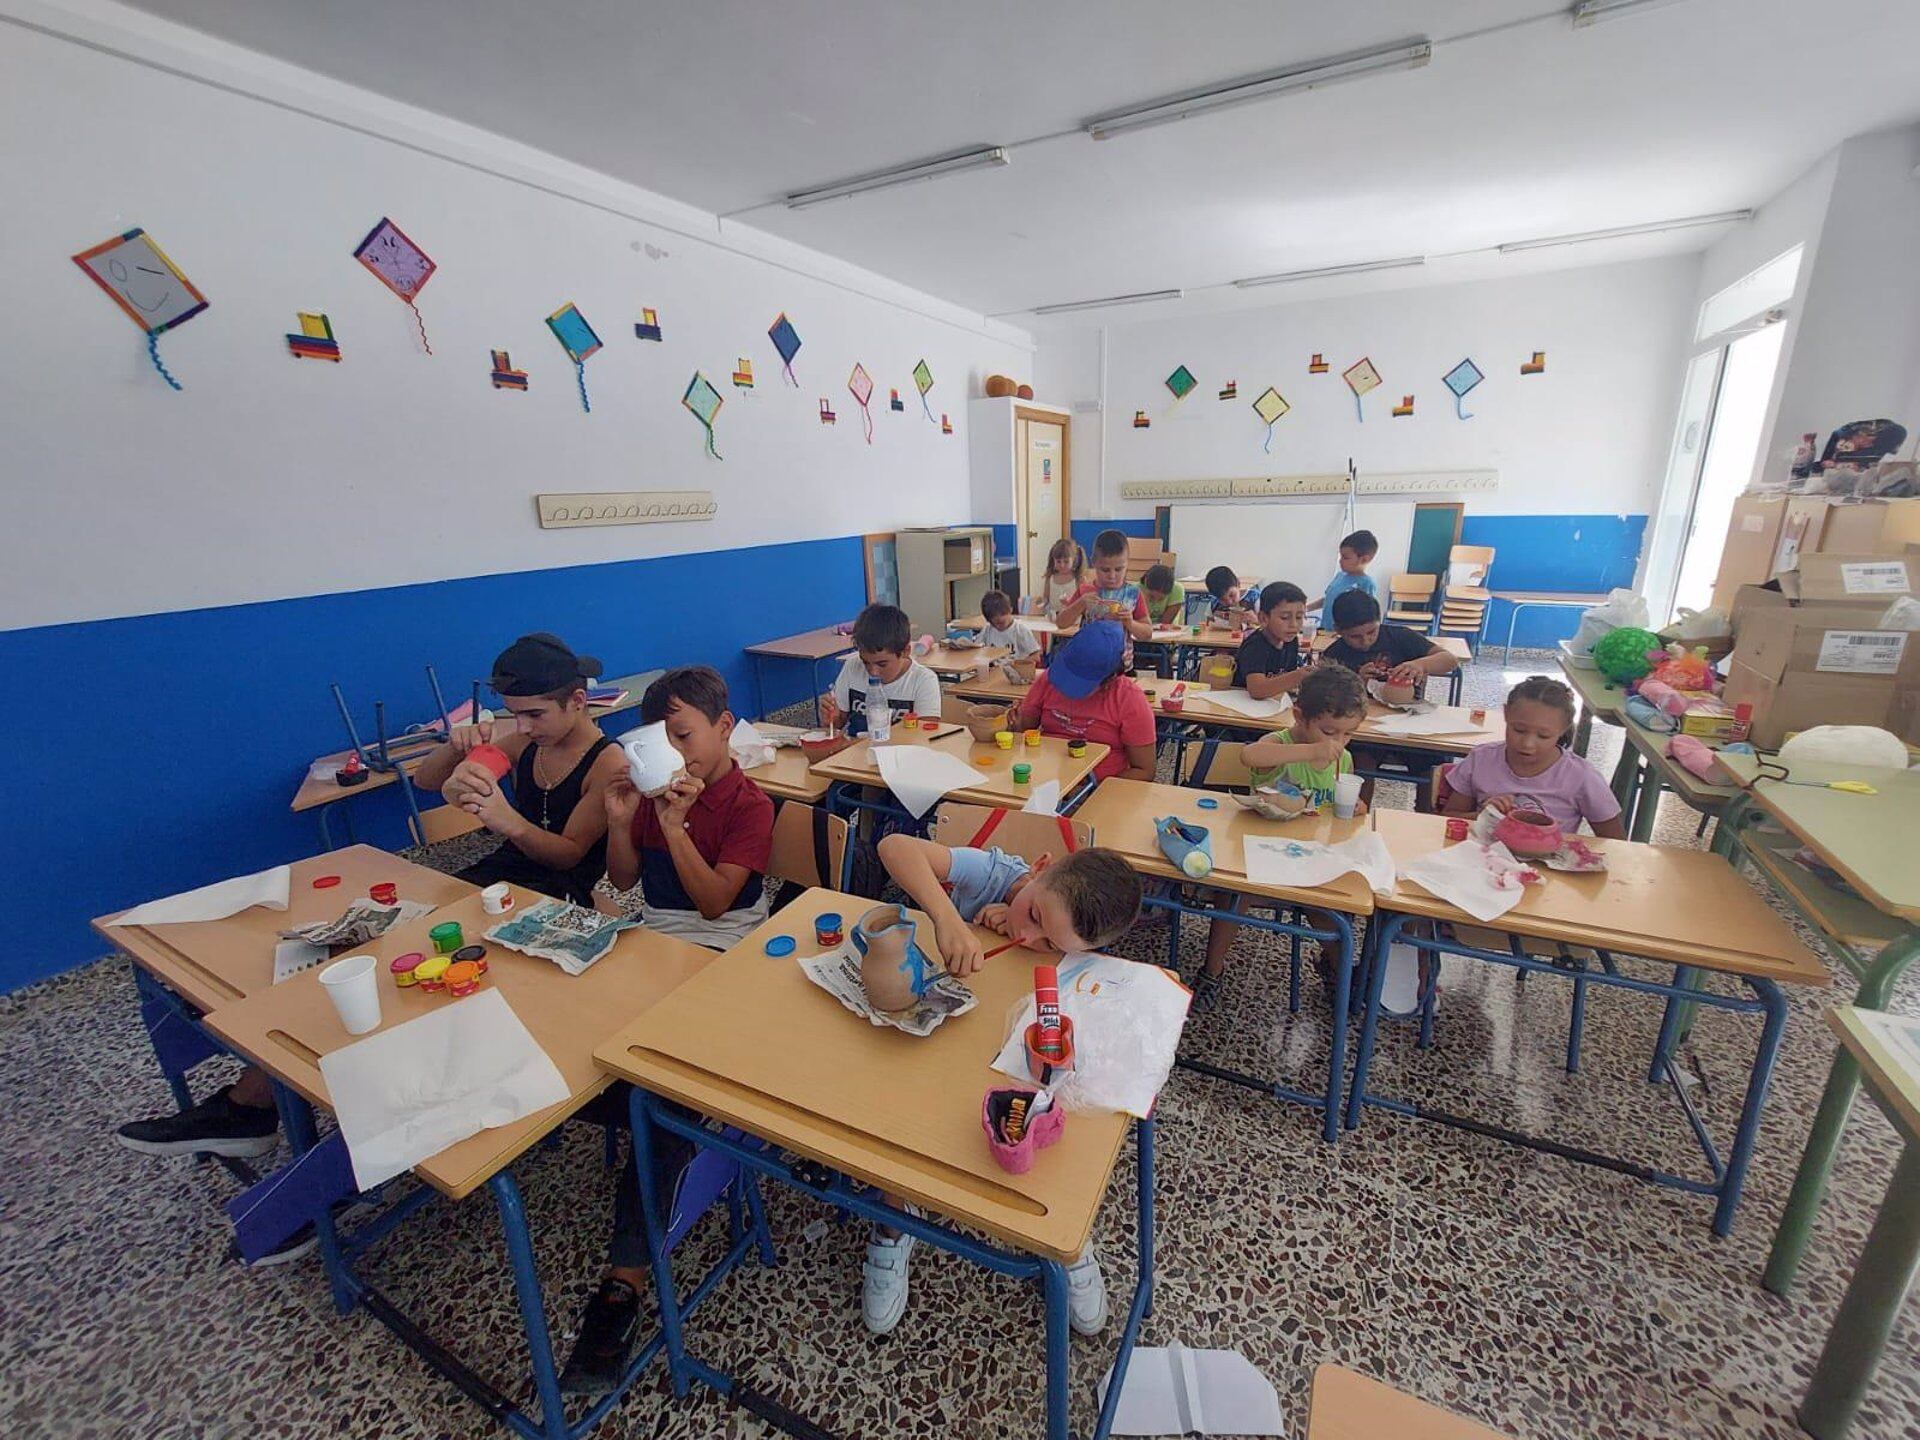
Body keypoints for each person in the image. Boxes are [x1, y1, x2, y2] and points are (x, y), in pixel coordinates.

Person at [113, 633, 625, 1237]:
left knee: (410, 991)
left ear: (576, 700)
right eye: (517, 715)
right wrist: (450, 743)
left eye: (536, 713)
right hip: (491, 887)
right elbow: (433, 780)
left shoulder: (608, 762)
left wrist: (506, 820)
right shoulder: (524, 739)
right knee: (368, 961)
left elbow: (568, 858)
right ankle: (255, 1102)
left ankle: (277, 1122)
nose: (526, 726)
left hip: (551, 906)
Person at [562, 666, 775, 1395]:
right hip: (653, 944)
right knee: (574, 1038)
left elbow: (717, 904)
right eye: (663, 740)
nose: (677, 754)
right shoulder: (655, 797)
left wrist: (678, 827)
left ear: (723, 727)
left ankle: (622, 1282)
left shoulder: (750, 804)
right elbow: (624, 881)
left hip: (721, 954)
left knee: (660, 1099)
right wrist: (624, 823)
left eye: (685, 735)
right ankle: (613, 1109)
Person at [869, 830, 1143, 1337]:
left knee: (1054, 1127)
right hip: (941, 1054)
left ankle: (1068, 1240)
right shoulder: (992, 872)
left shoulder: (1070, 939)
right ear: (1038, 867)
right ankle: (894, 1220)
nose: (1028, 939)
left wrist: (1023, 929)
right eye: (1034, 917)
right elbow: (894, 848)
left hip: (1015, 1058)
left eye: (1050, 945)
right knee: (896, 1110)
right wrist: (948, 918)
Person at [1197, 666, 1369, 1008]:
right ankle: (1210, 972)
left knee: (1333, 914)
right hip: (1257, 854)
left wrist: (1353, 805)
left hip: (1308, 860)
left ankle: (1339, 972)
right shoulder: (1282, 744)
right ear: (1299, 716)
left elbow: (1335, 807)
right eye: (1329, 731)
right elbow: (1251, 756)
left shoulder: (1343, 760)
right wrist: (1310, 752)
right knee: (1233, 898)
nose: (1338, 743)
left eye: (1348, 734)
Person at [1440, 676, 1626, 840]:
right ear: (1506, 714)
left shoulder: (1581, 776)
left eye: (1543, 736)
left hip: (1548, 872)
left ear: (1564, 729)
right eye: (1519, 730)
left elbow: (1615, 843)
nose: (1527, 744)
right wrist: (1482, 815)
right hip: (1482, 862)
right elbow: (1446, 819)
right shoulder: (1481, 759)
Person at [1012, 621, 1157, 782]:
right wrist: (1016, 726)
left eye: (1080, 682)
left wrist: (1092, 791)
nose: (1068, 686)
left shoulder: (1130, 700)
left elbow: (1144, 771)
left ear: (1110, 678)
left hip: (1097, 791)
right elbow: (1024, 729)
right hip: (1044, 777)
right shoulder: (1048, 680)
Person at [820, 603, 941, 736]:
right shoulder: (852, 666)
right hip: (856, 751)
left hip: (902, 752)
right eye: (865, 662)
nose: (873, 672)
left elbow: (926, 736)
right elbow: (838, 723)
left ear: (905, 651)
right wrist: (831, 718)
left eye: (882, 664)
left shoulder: (923, 680)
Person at [1320, 592, 1458, 696]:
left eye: (1372, 632)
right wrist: (1357, 682)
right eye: (1355, 636)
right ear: (1338, 630)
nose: (1366, 640)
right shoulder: (1334, 655)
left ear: (1379, 621)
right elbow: (1326, 697)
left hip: (1406, 713)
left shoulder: (1400, 636)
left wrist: (1420, 665)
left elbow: (1450, 660)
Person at [1056, 529, 1154, 641]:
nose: (1112, 576)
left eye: (1118, 569)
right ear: (1094, 562)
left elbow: (1148, 634)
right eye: (1105, 570)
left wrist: (1131, 623)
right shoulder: (1085, 591)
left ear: (1127, 563)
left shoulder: (1133, 594)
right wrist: (1080, 603)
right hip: (1089, 656)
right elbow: (1061, 623)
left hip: (1120, 657)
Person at [1232, 581, 1314, 700]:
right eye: (1285, 617)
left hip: (1273, 703)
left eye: (1299, 617)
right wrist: (1298, 676)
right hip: (1244, 707)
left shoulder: (1291, 641)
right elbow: (1256, 690)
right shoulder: (1255, 645)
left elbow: (1287, 682)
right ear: (1263, 618)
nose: (1294, 625)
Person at [1312, 529, 1379, 634]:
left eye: (1345, 558)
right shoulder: (1339, 576)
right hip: (1325, 630)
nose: (1340, 561)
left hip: (1345, 635)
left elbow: (1368, 616)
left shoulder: (1366, 584)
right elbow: (1328, 598)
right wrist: (1306, 608)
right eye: (1341, 556)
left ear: (1364, 559)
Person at [979, 588, 1041, 662]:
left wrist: (1018, 664)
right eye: (994, 624)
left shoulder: (1020, 630)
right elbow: (976, 649)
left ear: (1010, 610)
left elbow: (1036, 657)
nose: (998, 627)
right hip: (994, 670)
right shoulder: (988, 629)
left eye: (1001, 623)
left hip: (1016, 670)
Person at [1036, 537, 1085, 618]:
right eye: (1058, 561)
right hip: (1054, 618)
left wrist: (1069, 602)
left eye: (1066, 562)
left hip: (1073, 618)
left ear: (1074, 560)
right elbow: (1046, 599)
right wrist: (1040, 603)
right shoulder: (1050, 578)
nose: (1062, 565)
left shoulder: (1078, 579)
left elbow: (1083, 603)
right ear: (1053, 560)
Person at [1203, 564, 1255, 631]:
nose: (1229, 602)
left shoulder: (1254, 598)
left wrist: (1256, 619)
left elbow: (1267, 626)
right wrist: (1214, 618)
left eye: (1232, 595)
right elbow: (1208, 626)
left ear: (1238, 584)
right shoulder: (1214, 603)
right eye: (1222, 599)